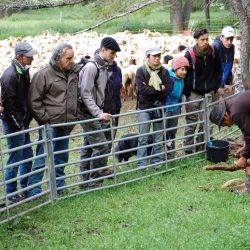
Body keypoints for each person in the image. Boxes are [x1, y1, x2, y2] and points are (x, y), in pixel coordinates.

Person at [27, 43, 80, 197]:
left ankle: (59, 186)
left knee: (62, 156)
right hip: (50, 124)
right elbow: (34, 100)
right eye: (68, 58)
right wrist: (44, 119)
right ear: (58, 58)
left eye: (72, 58)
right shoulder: (43, 75)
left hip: (67, 123)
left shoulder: (73, 73)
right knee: (43, 157)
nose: (71, 61)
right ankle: (34, 190)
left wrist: (74, 115)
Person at [78, 37, 121, 187]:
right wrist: (98, 113)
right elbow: (85, 93)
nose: (113, 57)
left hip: (96, 110)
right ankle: (94, 181)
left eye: (115, 54)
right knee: (101, 146)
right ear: (103, 49)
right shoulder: (91, 68)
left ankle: (84, 180)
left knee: (89, 144)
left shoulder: (104, 67)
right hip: (87, 112)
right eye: (112, 53)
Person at [0, 42, 37, 203]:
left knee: (27, 155)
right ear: (19, 56)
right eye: (29, 55)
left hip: (21, 121)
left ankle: (25, 186)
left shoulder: (23, 72)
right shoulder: (10, 76)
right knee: (15, 157)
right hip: (14, 123)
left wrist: (25, 119)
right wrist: (19, 124)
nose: (32, 58)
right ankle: (11, 192)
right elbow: (8, 105)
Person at [183, 28, 222, 154]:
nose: (205, 42)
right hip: (194, 92)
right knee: (191, 122)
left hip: (208, 92)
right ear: (196, 40)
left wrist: (215, 86)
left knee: (207, 121)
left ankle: (202, 146)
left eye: (207, 39)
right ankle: (188, 149)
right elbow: (185, 74)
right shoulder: (190, 54)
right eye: (202, 39)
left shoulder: (213, 52)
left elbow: (218, 70)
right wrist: (187, 92)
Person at [136, 46, 173, 169]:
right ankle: (142, 164)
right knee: (143, 137)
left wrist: (151, 89)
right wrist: (158, 89)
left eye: (158, 56)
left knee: (158, 136)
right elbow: (142, 89)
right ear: (148, 57)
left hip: (159, 106)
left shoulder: (164, 71)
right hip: (144, 107)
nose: (157, 58)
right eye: (154, 56)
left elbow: (168, 88)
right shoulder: (141, 71)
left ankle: (156, 161)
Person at [209, 91, 250, 193]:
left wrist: (244, 157)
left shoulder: (236, 113)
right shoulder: (234, 105)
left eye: (223, 124)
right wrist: (246, 148)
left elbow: (249, 135)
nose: (226, 126)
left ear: (225, 116)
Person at [165, 57, 190, 159]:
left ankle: (171, 155)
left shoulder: (181, 80)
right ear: (175, 69)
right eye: (182, 69)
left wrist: (179, 108)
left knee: (172, 132)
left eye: (186, 69)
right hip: (167, 109)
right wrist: (166, 107)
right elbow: (165, 94)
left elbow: (180, 96)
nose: (184, 72)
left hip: (175, 109)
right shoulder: (170, 79)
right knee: (163, 132)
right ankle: (162, 156)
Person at [213, 26, 235, 96]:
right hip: (214, 87)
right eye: (227, 39)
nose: (229, 42)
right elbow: (210, 70)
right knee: (213, 105)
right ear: (221, 37)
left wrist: (228, 83)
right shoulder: (215, 47)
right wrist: (216, 87)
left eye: (231, 39)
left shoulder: (232, 48)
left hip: (224, 85)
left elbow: (229, 67)